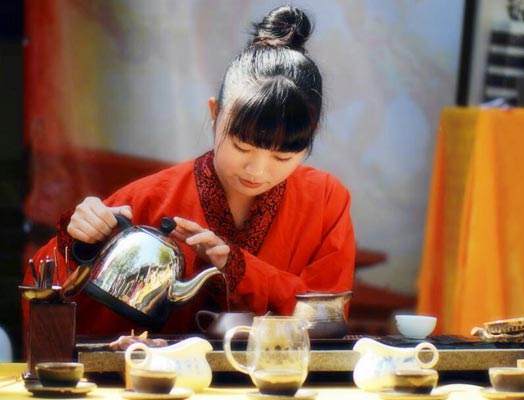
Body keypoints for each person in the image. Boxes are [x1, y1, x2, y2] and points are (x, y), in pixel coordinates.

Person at [23, 5, 355, 336]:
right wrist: (81, 245)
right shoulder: (151, 198)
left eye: (283, 157)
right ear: (215, 113)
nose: (258, 170)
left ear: (310, 139)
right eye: (242, 147)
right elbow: (39, 294)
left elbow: (327, 316)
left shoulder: (326, 199)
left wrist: (239, 269)